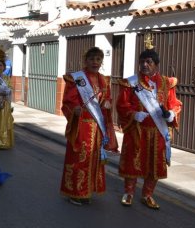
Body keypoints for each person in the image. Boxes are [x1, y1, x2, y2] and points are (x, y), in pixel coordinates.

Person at [117, 48, 182, 210]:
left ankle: (147, 195)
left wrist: (171, 114)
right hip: (137, 130)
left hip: (158, 133)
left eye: (149, 62)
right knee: (133, 161)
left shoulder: (167, 83)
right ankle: (129, 192)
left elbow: (175, 104)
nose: (144, 65)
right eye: (142, 62)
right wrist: (133, 113)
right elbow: (122, 104)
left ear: (156, 65)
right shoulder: (131, 82)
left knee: (155, 165)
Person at [60, 47, 118, 205]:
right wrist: (75, 110)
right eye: (92, 59)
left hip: (98, 128)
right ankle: (75, 192)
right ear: (86, 61)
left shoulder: (104, 80)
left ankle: (87, 191)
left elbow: (108, 100)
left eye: (98, 59)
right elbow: (68, 101)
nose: (95, 62)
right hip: (81, 126)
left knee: (93, 160)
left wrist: (107, 103)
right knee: (80, 158)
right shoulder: (78, 78)